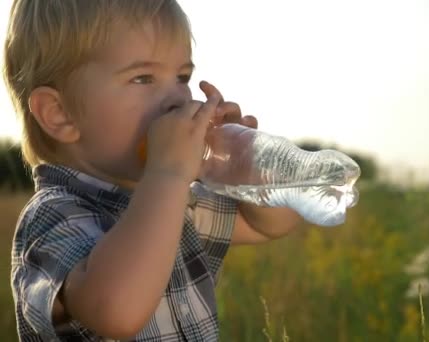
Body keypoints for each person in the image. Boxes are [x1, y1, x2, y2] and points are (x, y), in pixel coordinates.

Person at [5, 1, 302, 340]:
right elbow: (115, 311)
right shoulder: (53, 216)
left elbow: (273, 224)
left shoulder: (171, 200)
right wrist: (169, 175)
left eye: (182, 77)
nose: (177, 99)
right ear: (61, 114)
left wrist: (241, 170)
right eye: (143, 77)